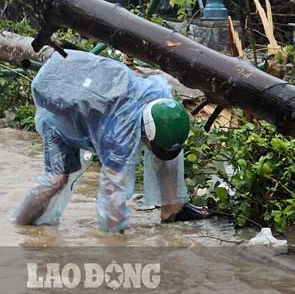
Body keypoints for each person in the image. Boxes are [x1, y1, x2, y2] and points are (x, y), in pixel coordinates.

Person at [12, 50, 209, 232]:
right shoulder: (118, 138)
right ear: (146, 135)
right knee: (56, 180)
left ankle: (172, 209)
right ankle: (21, 227)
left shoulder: (161, 99)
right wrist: (117, 237)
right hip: (58, 115)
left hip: (84, 84)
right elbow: (111, 196)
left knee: (167, 153)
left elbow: (166, 138)